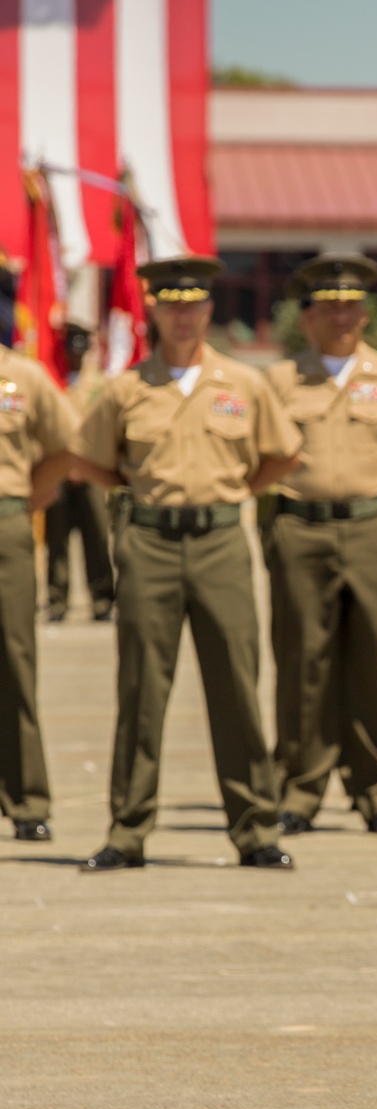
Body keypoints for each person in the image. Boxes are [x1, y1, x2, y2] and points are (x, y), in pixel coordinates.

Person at [71, 255, 302, 871]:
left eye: (192, 304)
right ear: (153, 309)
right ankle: (127, 831)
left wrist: (233, 493)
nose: (182, 315)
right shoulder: (126, 388)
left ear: (208, 309)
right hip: (147, 541)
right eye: (170, 304)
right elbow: (87, 459)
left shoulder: (243, 385)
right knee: (142, 688)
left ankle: (256, 829)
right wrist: (133, 486)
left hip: (221, 542)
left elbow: (282, 454)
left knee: (237, 686)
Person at [264, 254, 377, 837]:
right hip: (301, 529)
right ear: (308, 317)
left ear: (364, 316)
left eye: (351, 307)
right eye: (329, 307)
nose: (341, 317)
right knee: (301, 663)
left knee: (374, 660)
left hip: (374, 530)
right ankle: (300, 788)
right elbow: (259, 460)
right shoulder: (279, 381)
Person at [0, 342, 77, 841]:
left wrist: (32, 493)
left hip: (5, 524)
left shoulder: (23, 376)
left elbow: (70, 443)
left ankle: (27, 798)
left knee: (13, 658)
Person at [44, 322, 114, 623]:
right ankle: (57, 598)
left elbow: (104, 430)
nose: (75, 355)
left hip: (91, 473)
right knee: (56, 539)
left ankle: (102, 598)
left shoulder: (100, 383)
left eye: (80, 349)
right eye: (70, 349)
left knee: (96, 536)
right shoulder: (51, 380)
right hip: (58, 474)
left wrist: (89, 466)